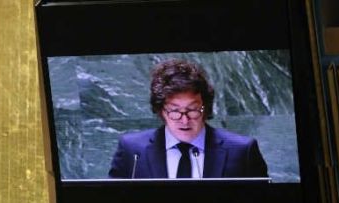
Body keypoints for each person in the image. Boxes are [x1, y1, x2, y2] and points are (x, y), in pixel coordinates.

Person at [107, 59, 267, 179]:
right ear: (161, 110)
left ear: (205, 108)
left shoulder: (242, 151)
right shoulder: (132, 151)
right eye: (175, 111)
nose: (184, 120)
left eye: (192, 110)